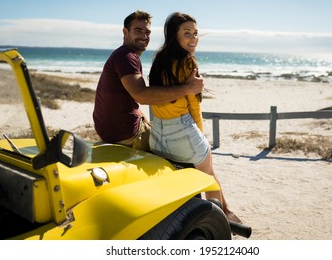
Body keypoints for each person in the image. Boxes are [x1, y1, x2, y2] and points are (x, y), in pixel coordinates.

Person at [148, 12, 242, 224]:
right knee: (209, 177)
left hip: (157, 139)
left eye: (196, 33)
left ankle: (223, 212)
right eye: (187, 33)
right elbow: (194, 106)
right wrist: (200, 136)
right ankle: (223, 217)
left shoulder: (159, 61)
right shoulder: (188, 63)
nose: (193, 39)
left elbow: (154, 99)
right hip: (182, 135)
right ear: (175, 35)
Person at [93, 11, 203, 151]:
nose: (144, 36)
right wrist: (188, 88)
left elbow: (131, 99)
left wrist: (143, 118)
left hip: (110, 130)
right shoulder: (126, 57)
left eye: (148, 32)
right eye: (138, 31)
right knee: (174, 145)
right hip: (126, 135)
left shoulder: (122, 55)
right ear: (125, 32)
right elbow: (142, 95)